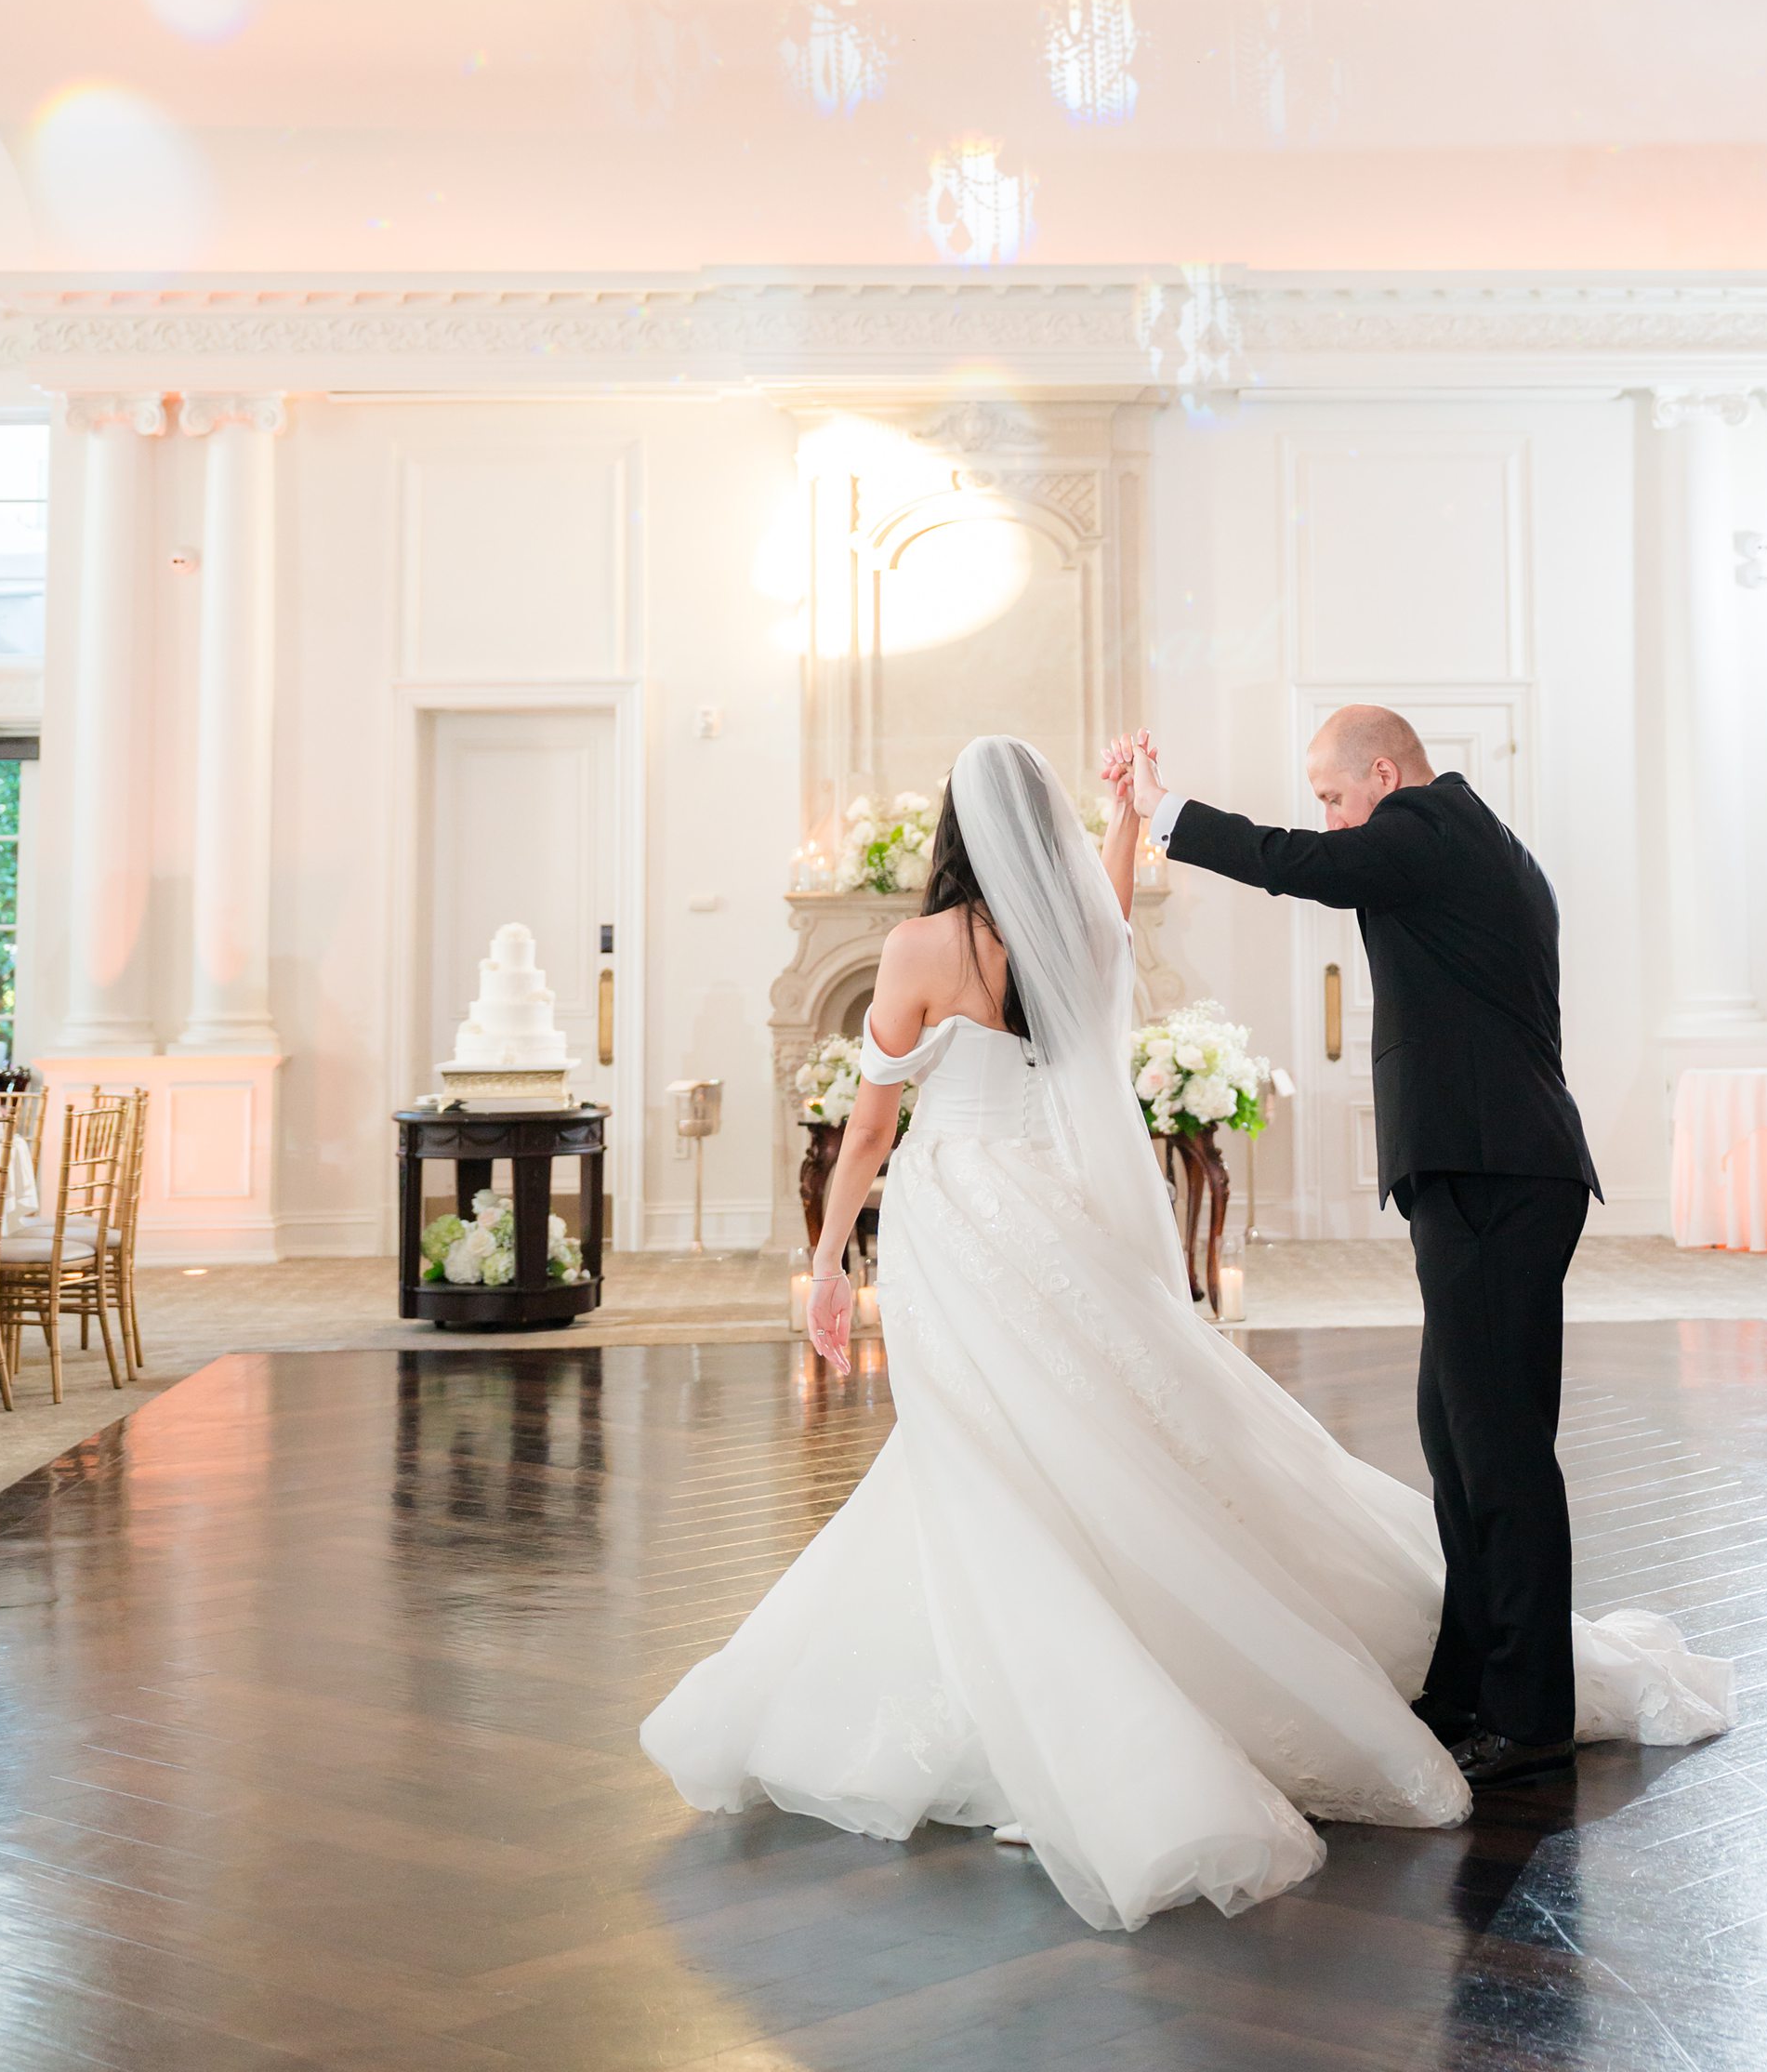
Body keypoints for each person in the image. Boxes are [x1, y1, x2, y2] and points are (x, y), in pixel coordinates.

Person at [640, 732, 1472, 1933]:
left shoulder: (922, 944)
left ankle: (1049, 1722)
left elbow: (870, 1131)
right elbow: (1112, 901)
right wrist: (1127, 817)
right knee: (1106, 1428)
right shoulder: (1080, 932)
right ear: (1047, 835)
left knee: (981, 1453)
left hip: (957, 1213)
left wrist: (825, 1259)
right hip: (1059, 1212)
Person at [1127, 708, 1609, 1787]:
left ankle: (1529, 1716)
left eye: (1336, 795)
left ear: (1383, 775)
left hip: (1495, 1174)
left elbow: (1298, 865)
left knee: (1500, 1455)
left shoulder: (1430, 826)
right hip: (1491, 1172)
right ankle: (1467, 1683)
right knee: (1459, 1441)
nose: (1330, 817)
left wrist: (1164, 813)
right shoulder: (1465, 841)